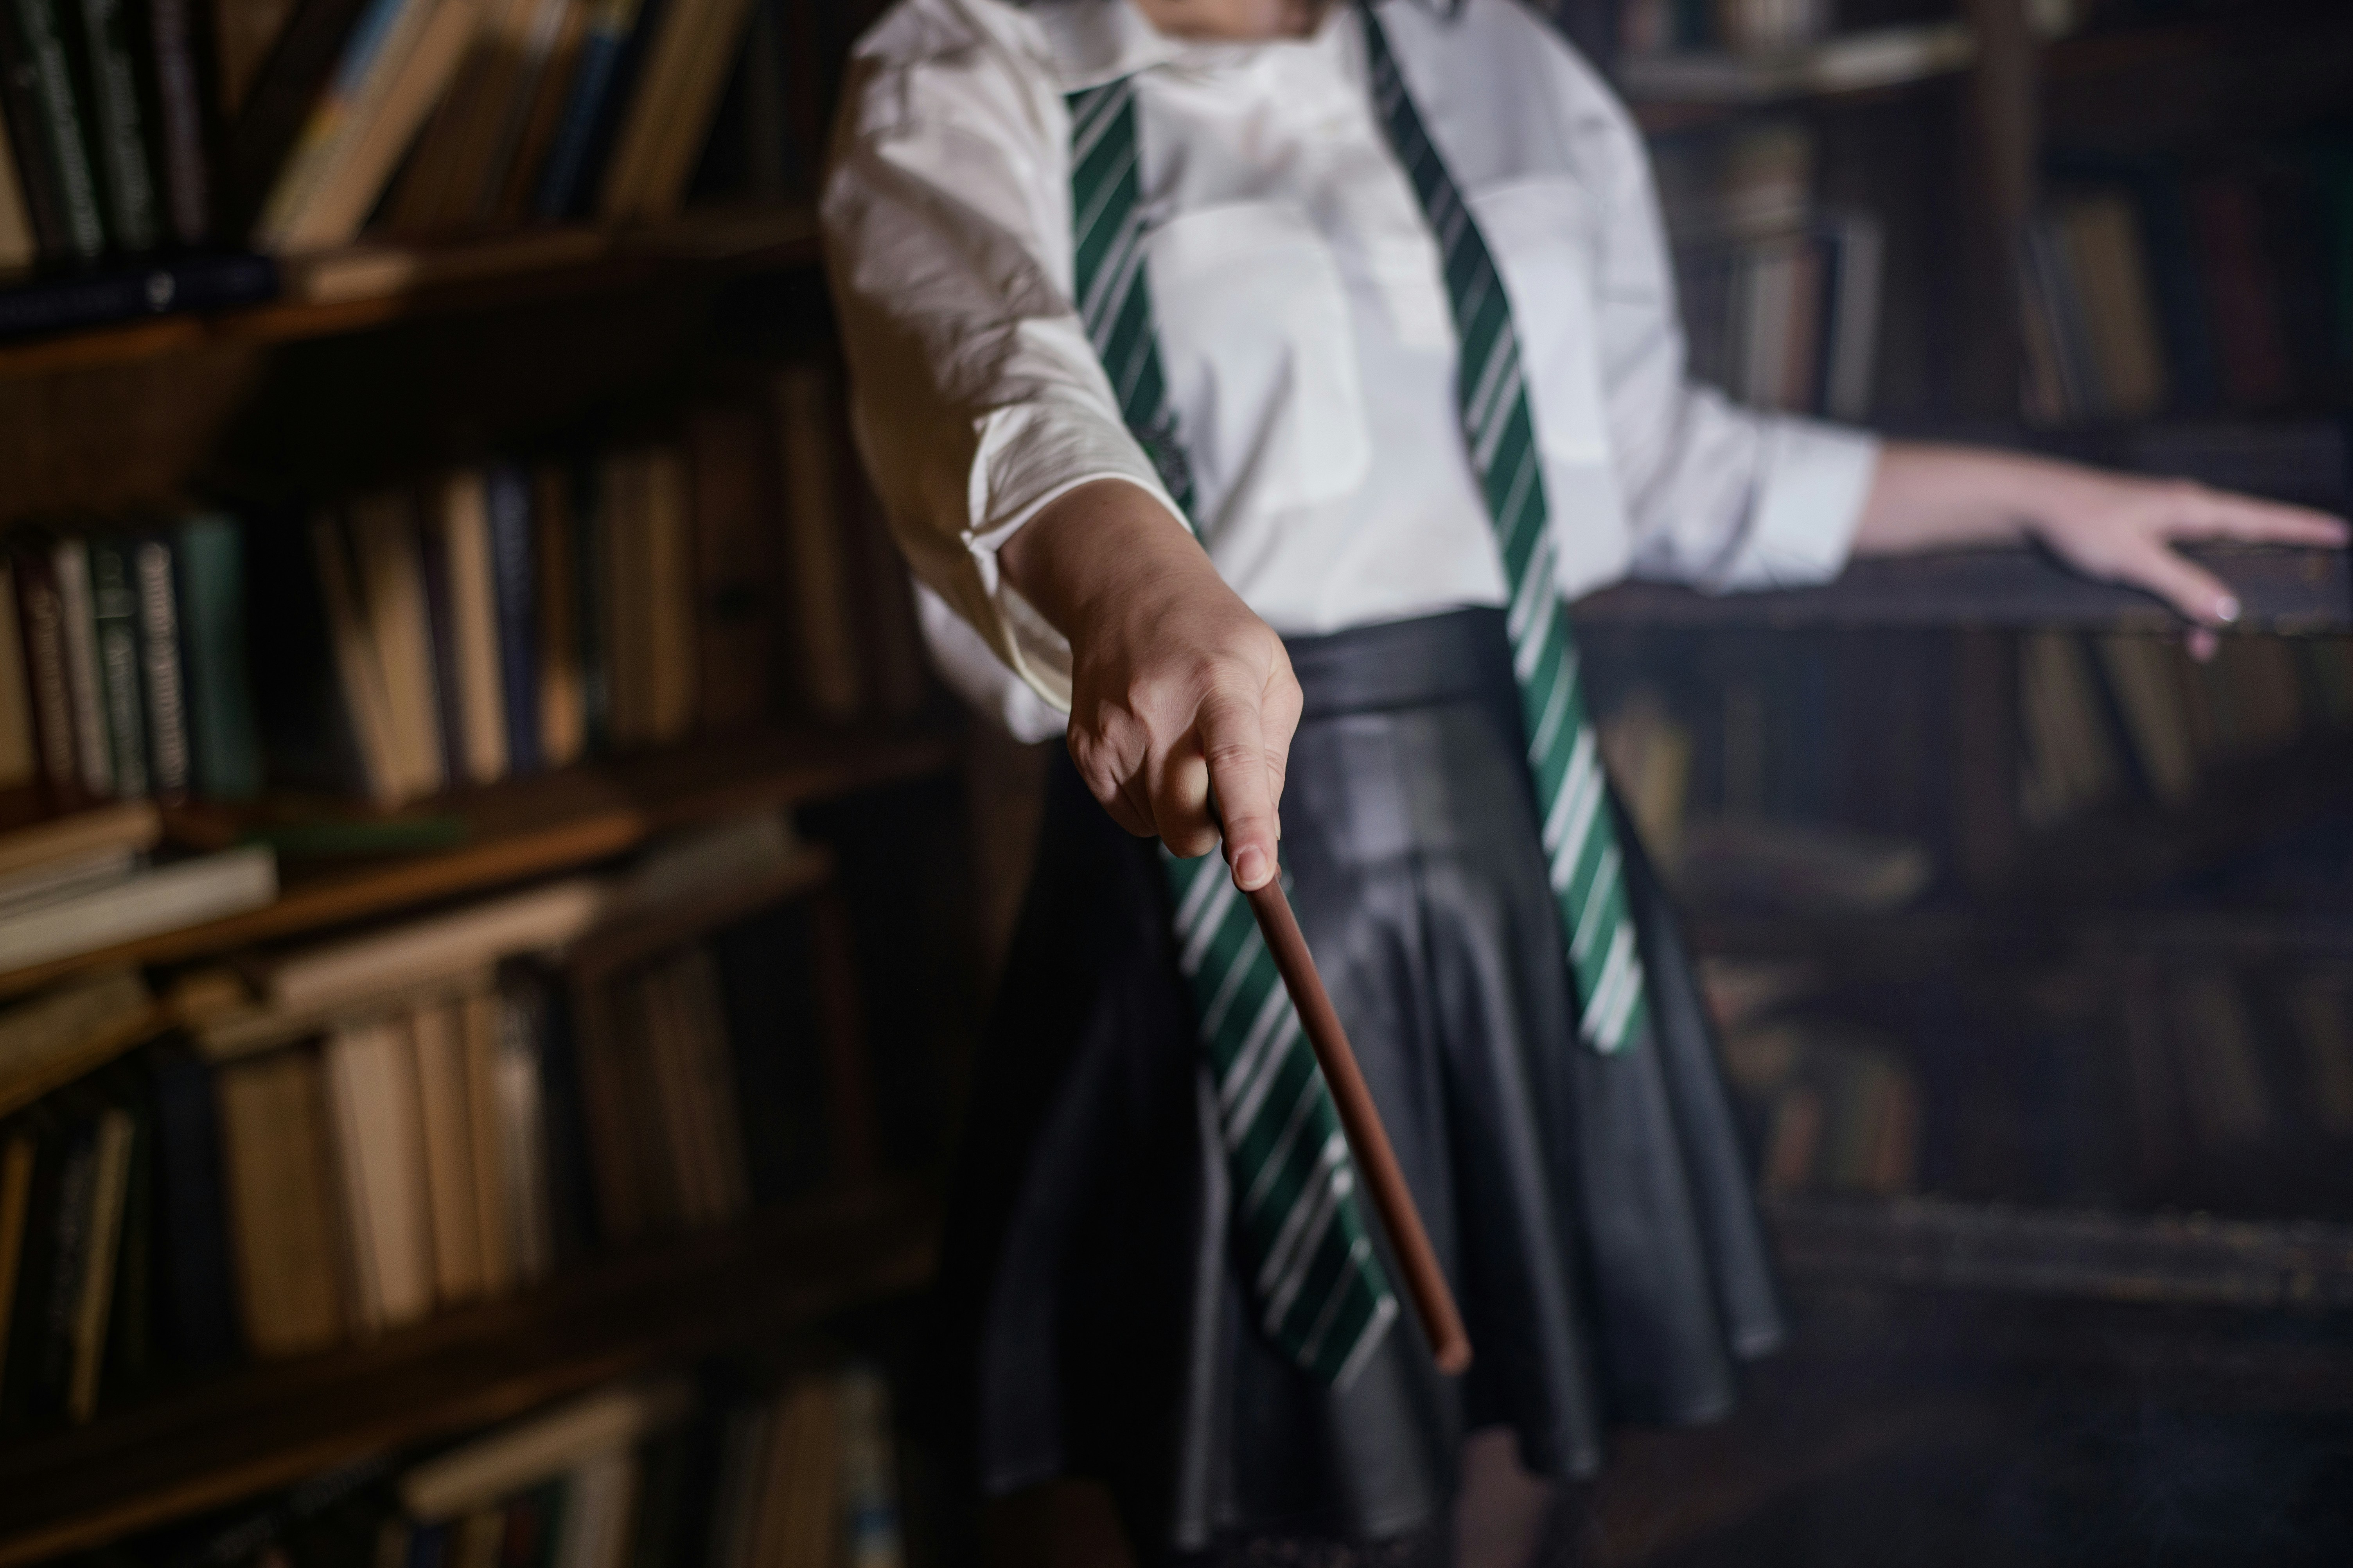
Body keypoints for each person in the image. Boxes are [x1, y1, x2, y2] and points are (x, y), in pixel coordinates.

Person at [820, 0, 2348, 1561]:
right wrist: (1143, 581)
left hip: (1523, 845)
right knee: (1277, 1471)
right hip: (1210, 834)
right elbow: (986, 375)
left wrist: (2041, 499)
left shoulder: (1494, 60)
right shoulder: (965, 63)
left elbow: (1662, 460)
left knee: (1524, 1435)